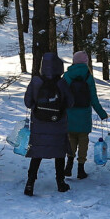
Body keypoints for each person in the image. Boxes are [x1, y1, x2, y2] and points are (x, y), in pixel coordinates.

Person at [22, 53, 72, 196]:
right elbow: (70, 102)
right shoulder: (62, 83)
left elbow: (27, 102)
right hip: (58, 124)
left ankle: (30, 183)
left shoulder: (36, 81)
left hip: (39, 124)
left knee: (37, 154)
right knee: (59, 154)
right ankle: (60, 183)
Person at [63, 50, 109, 179]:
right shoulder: (88, 76)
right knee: (83, 141)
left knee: (71, 139)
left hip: (70, 113)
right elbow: (93, 98)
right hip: (84, 114)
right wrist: (102, 113)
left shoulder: (66, 76)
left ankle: (69, 165)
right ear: (86, 62)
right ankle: (81, 169)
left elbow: (61, 95)